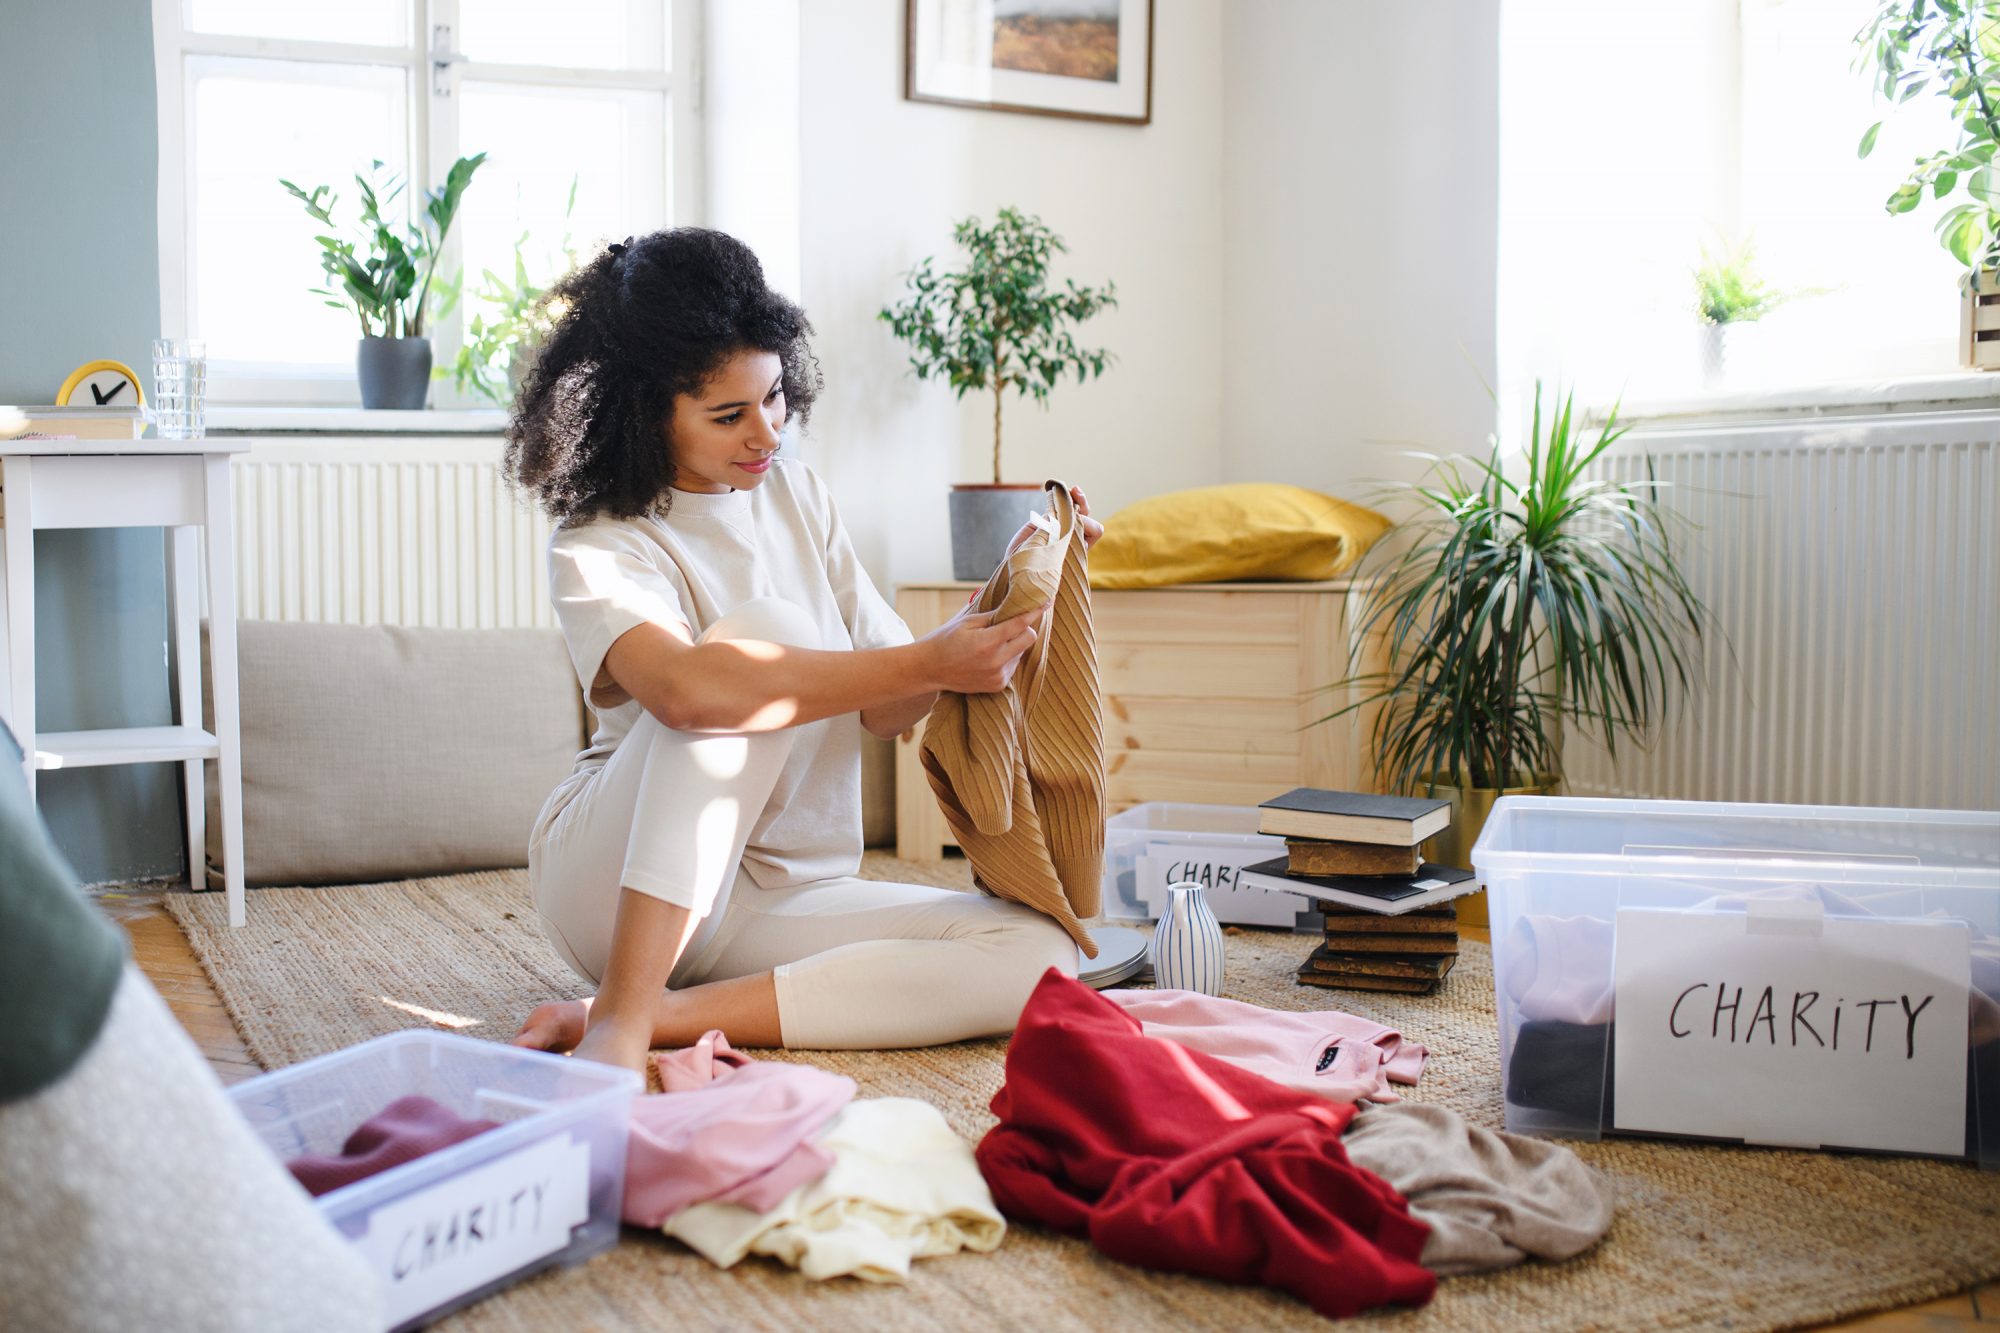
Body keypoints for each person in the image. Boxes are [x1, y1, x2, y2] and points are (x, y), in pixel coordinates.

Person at [503, 228, 1100, 1076]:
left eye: (776, 397)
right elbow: (686, 693)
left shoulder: (798, 495)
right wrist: (927, 662)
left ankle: (662, 1014)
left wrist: (1008, 601)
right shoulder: (600, 540)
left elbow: (891, 701)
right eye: (728, 415)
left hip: (785, 892)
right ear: (645, 411)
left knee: (1041, 954)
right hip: (615, 888)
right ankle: (622, 1017)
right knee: (763, 639)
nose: (767, 433)